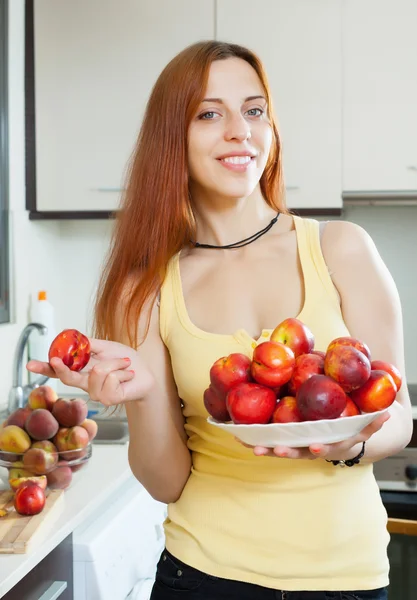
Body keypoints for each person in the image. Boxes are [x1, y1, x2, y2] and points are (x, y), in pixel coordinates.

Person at [27, 41, 412, 600]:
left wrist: (348, 445)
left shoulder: (341, 249)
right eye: (210, 113)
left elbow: (396, 414)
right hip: (204, 578)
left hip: (346, 578)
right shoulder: (147, 288)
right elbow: (167, 482)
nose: (241, 130)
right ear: (172, 138)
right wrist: (140, 392)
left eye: (254, 111)